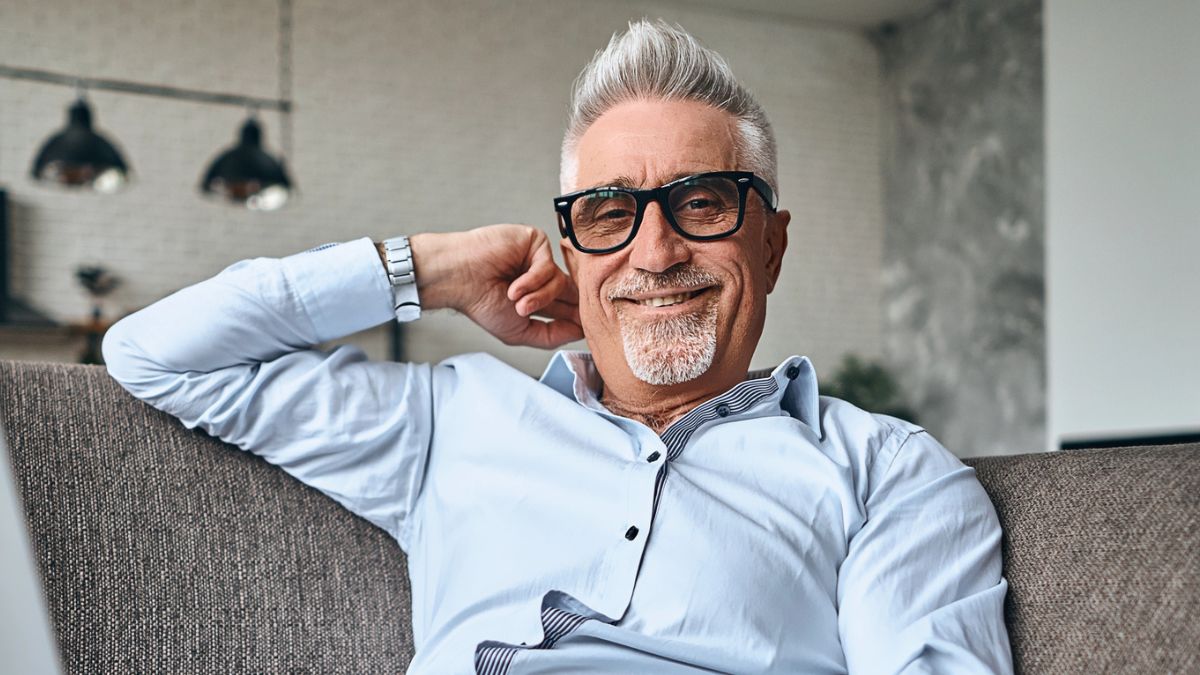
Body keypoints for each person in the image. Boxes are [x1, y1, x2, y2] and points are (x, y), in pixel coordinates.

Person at [103, 18, 1013, 675]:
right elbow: (155, 354)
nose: (654, 253)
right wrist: (431, 268)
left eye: (701, 203)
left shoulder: (887, 474)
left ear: (770, 245)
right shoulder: (450, 420)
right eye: (611, 215)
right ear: (575, 256)